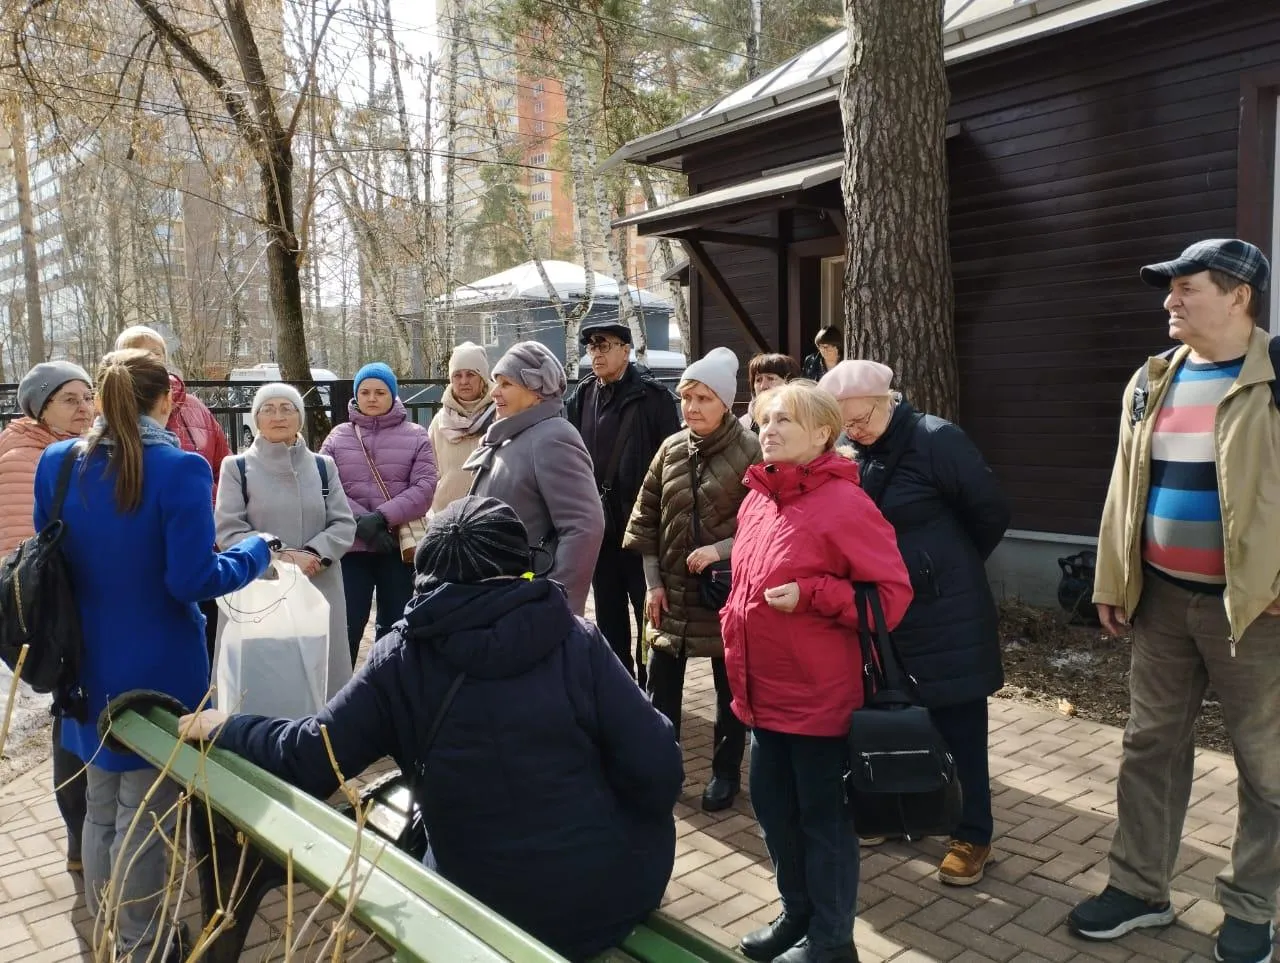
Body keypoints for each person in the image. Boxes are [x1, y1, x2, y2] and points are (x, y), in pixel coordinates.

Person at [178, 496, 682, 962]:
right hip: (608, 895)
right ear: (519, 562)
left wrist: (229, 726)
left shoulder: (401, 655)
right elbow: (659, 767)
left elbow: (310, 756)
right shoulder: (575, 638)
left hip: (480, 900)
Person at [1067, 239, 1280, 963]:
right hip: (1160, 601)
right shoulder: (1152, 377)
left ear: (1239, 296)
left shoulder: (1277, 375)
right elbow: (1125, 484)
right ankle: (1139, 887)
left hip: (1253, 613)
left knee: (1268, 765)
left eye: (1186, 288)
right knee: (1149, 747)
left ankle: (1252, 904)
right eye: (1170, 290)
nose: (1170, 302)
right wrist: (1111, 578)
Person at [35, 349, 272, 961]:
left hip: (82, 666)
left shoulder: (59, 461)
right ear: (165, 400)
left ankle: (111, 926)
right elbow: (191, 579)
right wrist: (254, 553)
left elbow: (50, 559)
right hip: (158, 674)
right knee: (149, 818)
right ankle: (143, 947)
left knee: (102, 808)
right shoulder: (180, 469)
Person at [722, 381, 912, 963]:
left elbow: (891, 596)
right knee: (775, 814)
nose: (769, 430)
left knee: (823, 824)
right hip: (760, 693)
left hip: (818, 699)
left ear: (823, 433)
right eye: (764, 420)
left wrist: (813, 594)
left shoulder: (846, 503)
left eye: (784, 421)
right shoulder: (759, 496)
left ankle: (832, 942)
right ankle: (795, 915)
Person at [821, 359, 1011, 884]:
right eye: (846, 424)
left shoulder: (936, 439)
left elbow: (989, 511)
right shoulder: (850, 452)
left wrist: (941, 566)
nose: (854, 432)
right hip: (883, 615)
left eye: (860, 420)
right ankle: (900, 813)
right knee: (892, 715)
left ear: (888, 401)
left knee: (961, 726)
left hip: (944, 611)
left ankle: (974, 834)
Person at [623, 346, 760, 811]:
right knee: (662, 688)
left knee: (729, 690)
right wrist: (652, 584)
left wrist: (720, 550)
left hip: (725, 593)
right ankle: (663, 769)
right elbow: (646, 519)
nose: (693, 407)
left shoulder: (752, 451)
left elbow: (766, 525)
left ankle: (725, 775)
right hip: (671, 595)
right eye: (687, 397)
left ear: (726, 402)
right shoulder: (670, 448)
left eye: (704, 398)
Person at [0, 361, 94, 873]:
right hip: (58, 613)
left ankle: (88, 829)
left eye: (88, 397)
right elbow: (29, 554)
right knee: (71, 714)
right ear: (40, 407)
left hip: (75, 604)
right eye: (69, 400)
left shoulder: (61, 450)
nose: (83, 409)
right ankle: (80, 831)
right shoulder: (26, 458)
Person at [215, 382, 357, 703]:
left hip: (317, 585)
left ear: (300, 417)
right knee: (265, 682)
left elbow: (343, 523)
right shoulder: (237, 468)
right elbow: (228, 530)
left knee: (320, 679)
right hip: (260, 590)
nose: (278, 416)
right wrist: (279, 558)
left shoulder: (324, 467)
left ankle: (323, 746)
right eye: (268, 409)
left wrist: (314, 555)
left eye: (287, 408)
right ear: (256, 419)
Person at [566, 319, 680, 683]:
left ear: (626, 350)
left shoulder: (654, 397)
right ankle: (619, 688)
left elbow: (672, 463)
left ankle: (651, 689)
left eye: (604, 346)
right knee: (609, 615)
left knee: (648, 615)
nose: (596, 354)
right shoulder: (583, 395)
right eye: (591, 347)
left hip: (641, 528)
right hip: (599, 528)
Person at [114, 325, 233, 664]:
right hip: (141, 553)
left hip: (200, 543)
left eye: (158, 355)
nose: (152, 362)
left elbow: (222, 469)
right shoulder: (110, 413)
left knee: (206, 642)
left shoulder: (195, 407)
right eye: (140, 354)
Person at [463, 341, 603, 616]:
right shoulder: (511, 436)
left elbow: (584, 527)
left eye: (506, 384)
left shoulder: (553, 437)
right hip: (498, 599)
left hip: (527, 604)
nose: (494, 393)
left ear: (537, 391)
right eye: (496, 383)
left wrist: (555, 605)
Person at [320, 362, 437, 665]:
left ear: (393, 395)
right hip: (350, 547)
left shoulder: (416, 435)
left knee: (396, 625)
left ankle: (390, 691)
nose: (372, 398)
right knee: (346, 624)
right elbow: (323, 486)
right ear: (356, 395)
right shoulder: (337, 437)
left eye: (380, 392)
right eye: (365, 392)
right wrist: (361, 523)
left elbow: (424, 487)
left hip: (397, 547)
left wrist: (382, 518)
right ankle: (339, 694)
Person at [428, 342, 495, 512]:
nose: (464, 381)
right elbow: (429, 471)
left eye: (471, 374)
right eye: (457, 375)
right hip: (447, 515)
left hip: (490, 514)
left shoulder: (499, 415)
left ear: (483, 377)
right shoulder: (440, 422)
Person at [740, 352, 801, 433]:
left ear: (789, 382)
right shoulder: (743, 425)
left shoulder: (804, 421)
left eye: (770, 378)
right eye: (758, 380)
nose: (763, 386)